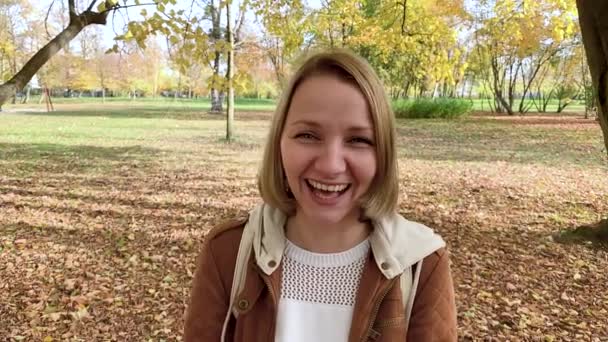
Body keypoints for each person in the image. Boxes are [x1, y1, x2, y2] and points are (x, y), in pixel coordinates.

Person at [184, 49, 457, 341]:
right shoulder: (228, 252)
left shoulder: (421, 265)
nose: (330, 165)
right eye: (308, 135)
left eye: (358, 140)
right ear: (279, 143)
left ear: (384, 155)